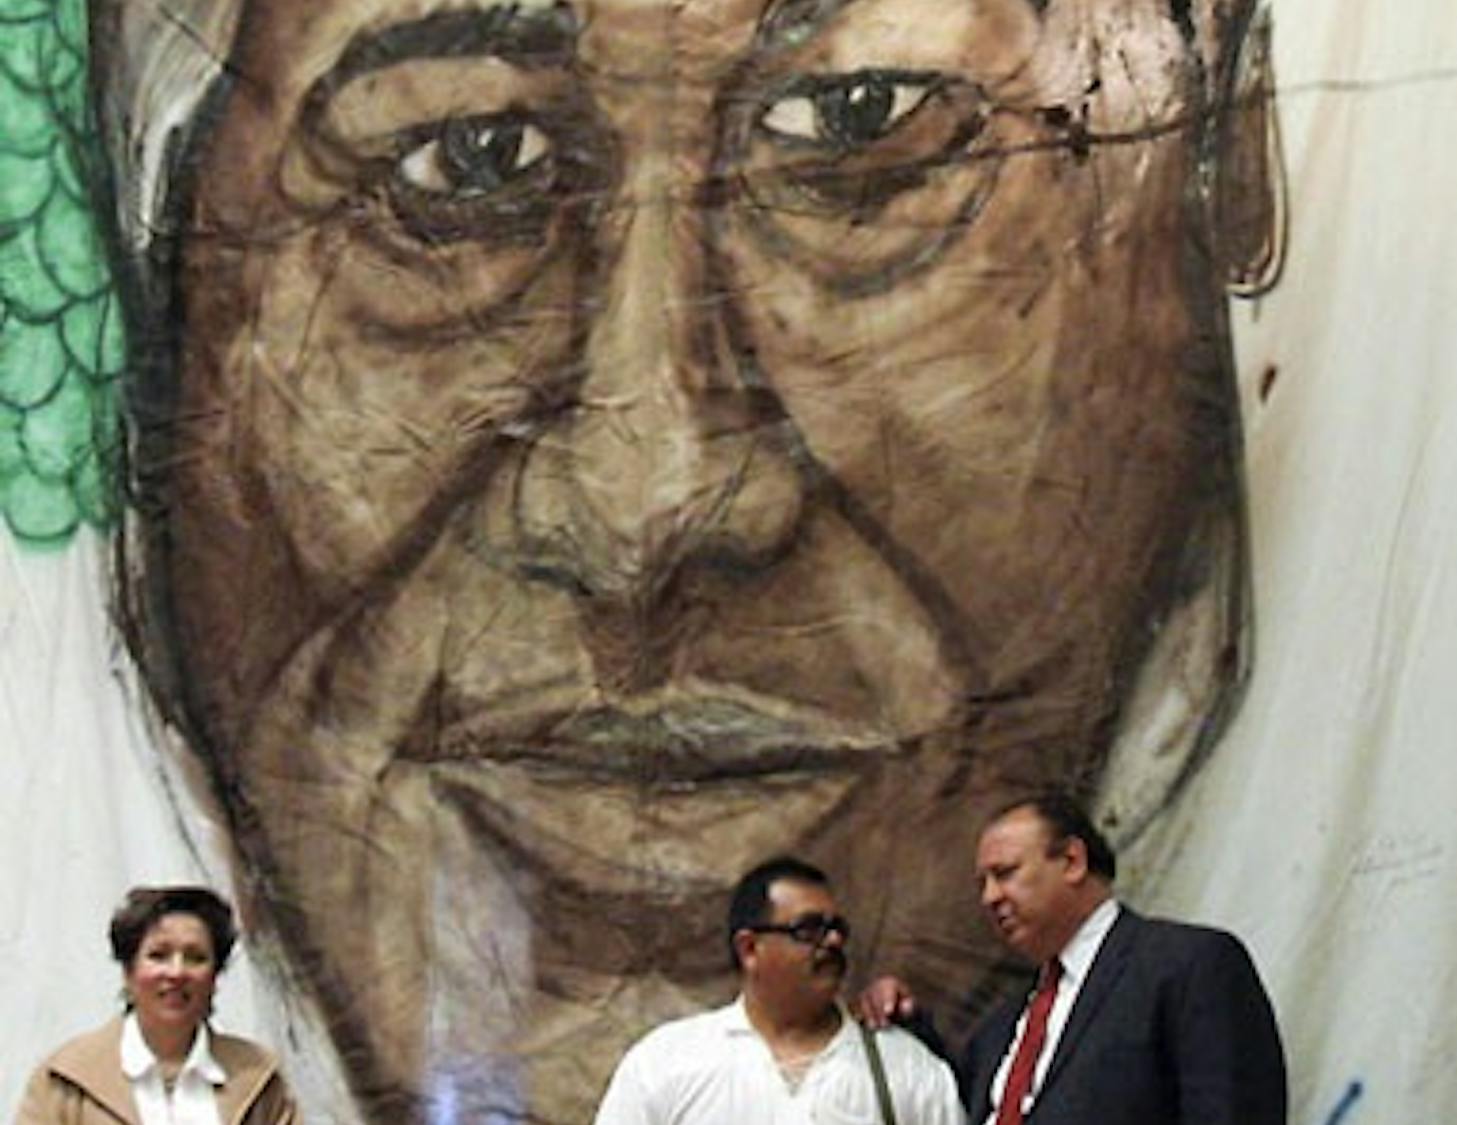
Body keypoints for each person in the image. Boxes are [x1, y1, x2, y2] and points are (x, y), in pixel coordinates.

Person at [86, 0, 1280, 1116]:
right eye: (469, 156)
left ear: (1221, 159)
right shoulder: (675, 1071)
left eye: (857, 119)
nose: (645, 507)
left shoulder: (1012, 1043)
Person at [862, 794, 1286, 1124]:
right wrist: (907, 1025)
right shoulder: (1003, 1026)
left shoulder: (1187, 965)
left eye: (1005, 873)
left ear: (1072, 861)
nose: (989, 897)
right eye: (982, 884)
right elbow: (958, 1106)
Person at [594, 856, 963, 1125]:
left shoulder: (905, 1069)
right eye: (809, 929)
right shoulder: (666, 1064)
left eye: (837, 929)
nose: (833, 941)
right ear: (749, 949)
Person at [14, 885, 301, 1125]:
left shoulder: (258, 1078)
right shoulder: (67, 1081)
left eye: (196, 958)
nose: (176, 972)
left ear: (215, 977)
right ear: (128, 971)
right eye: (159, 955)